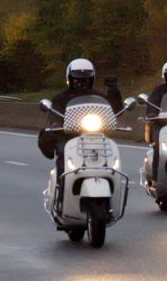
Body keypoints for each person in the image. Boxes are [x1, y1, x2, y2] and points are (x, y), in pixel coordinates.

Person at [37, 59, 122, 195]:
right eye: (76, 79)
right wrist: (57, 124)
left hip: (96, 136)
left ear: (92, 79)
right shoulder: (60, 98)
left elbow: (114, 110)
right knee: (63, 154)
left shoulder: (98, 97)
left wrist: (113, 90)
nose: (81, 82)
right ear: (69, 78)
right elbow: (55, 115)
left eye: (86, 79)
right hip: (70, 137)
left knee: (110, 153)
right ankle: (61, 191)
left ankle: (112, 186)